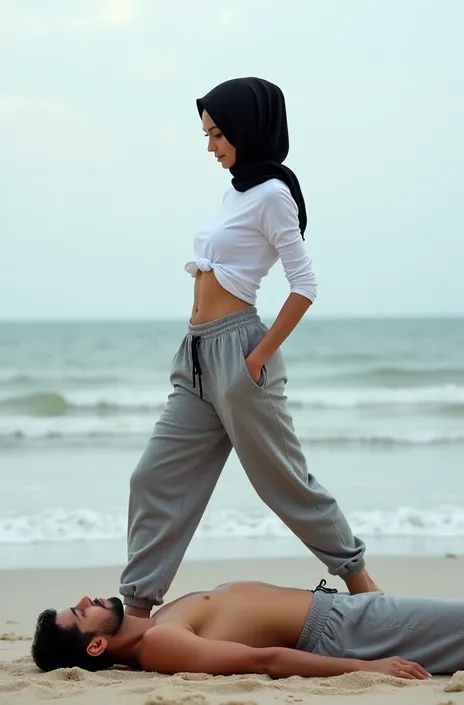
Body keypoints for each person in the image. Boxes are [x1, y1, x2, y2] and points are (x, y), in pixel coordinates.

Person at [119, 76, 379, 619]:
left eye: (217, 134)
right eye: (207, 134)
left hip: (239, 351)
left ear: (246, 129)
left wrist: (256, 358)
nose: (210, 146)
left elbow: (304, 284)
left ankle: (368, 593)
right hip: (193, 357)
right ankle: (138, 609)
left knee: (282, 482)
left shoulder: (274, 195)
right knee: (153, 477)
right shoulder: (235, 189)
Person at [32, 578, 464, 678]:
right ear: (96, 647)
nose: (88, 600)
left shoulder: (151, 622)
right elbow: (263, 660)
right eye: (81, 612)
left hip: (347, 613)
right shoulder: (159, 642)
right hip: (349, 632)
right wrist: (366, 668)